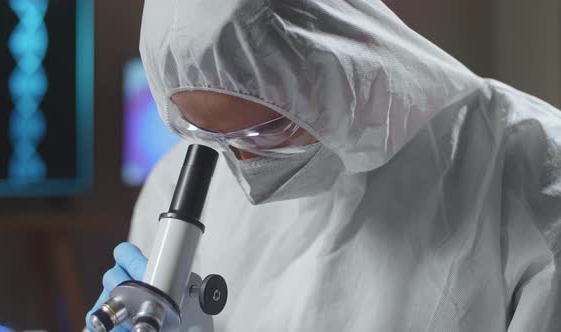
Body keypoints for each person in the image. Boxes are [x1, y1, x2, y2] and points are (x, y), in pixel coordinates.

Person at [87, 0, 561, 330]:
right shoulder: (179, 178)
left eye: (267, 130)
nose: (242, 159)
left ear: (341, 55)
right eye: (203, 132)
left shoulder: (528, 171)